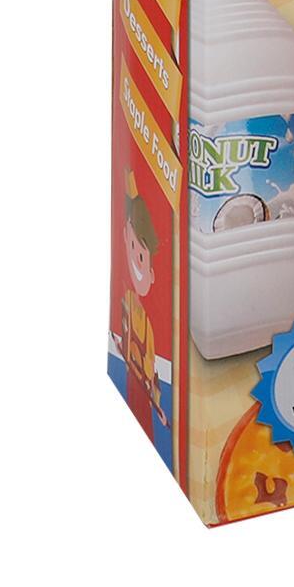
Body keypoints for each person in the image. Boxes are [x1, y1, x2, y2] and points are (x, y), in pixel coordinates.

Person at [119, 177, 166, 427]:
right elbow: (124, 333)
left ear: (151, 273)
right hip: (128, 380)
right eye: (132, 246)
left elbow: (153, 373)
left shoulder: (148, 328)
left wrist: (158, 404)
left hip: (143, 396)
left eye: (141, 257)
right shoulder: (127, 299)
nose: (137, 265)